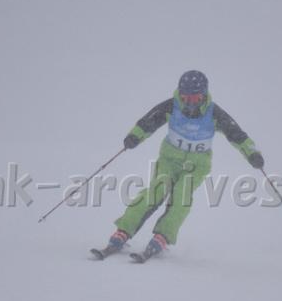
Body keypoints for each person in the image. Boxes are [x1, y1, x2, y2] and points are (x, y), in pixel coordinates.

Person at [102, 70, 264, 260]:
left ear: (204, 95)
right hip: (169, 160)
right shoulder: (172, 106)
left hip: (196, 166)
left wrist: (252, 154)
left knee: (182, 196)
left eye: (195, 99)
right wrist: (134, 136)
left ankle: (163, 235)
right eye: (186, 98)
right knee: (156, 190)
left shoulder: (214, 113)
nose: (190, 104)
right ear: (180, 94)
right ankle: (123, 231)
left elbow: (238, 135)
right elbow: (147, 122)